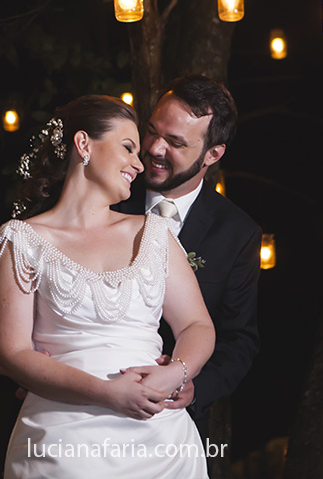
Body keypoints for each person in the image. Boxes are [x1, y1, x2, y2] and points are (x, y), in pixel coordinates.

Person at [0, 95, 215, 479]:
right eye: (128, 147)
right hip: (62, 443)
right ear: (83, 145)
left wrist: (176, 372)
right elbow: (9, 353)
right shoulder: (21, 239)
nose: (139, 164)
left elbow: (197, 326)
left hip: (160, 445)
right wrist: (108, 394)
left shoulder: (152, 233)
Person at [116, 75, 261, 439]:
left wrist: (197, 387)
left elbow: (240, 338)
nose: (154, 148)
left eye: (175, 142)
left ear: (213, 154)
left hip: (170, 420)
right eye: (152, 131)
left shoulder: (237, 234)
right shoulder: (108, 196)